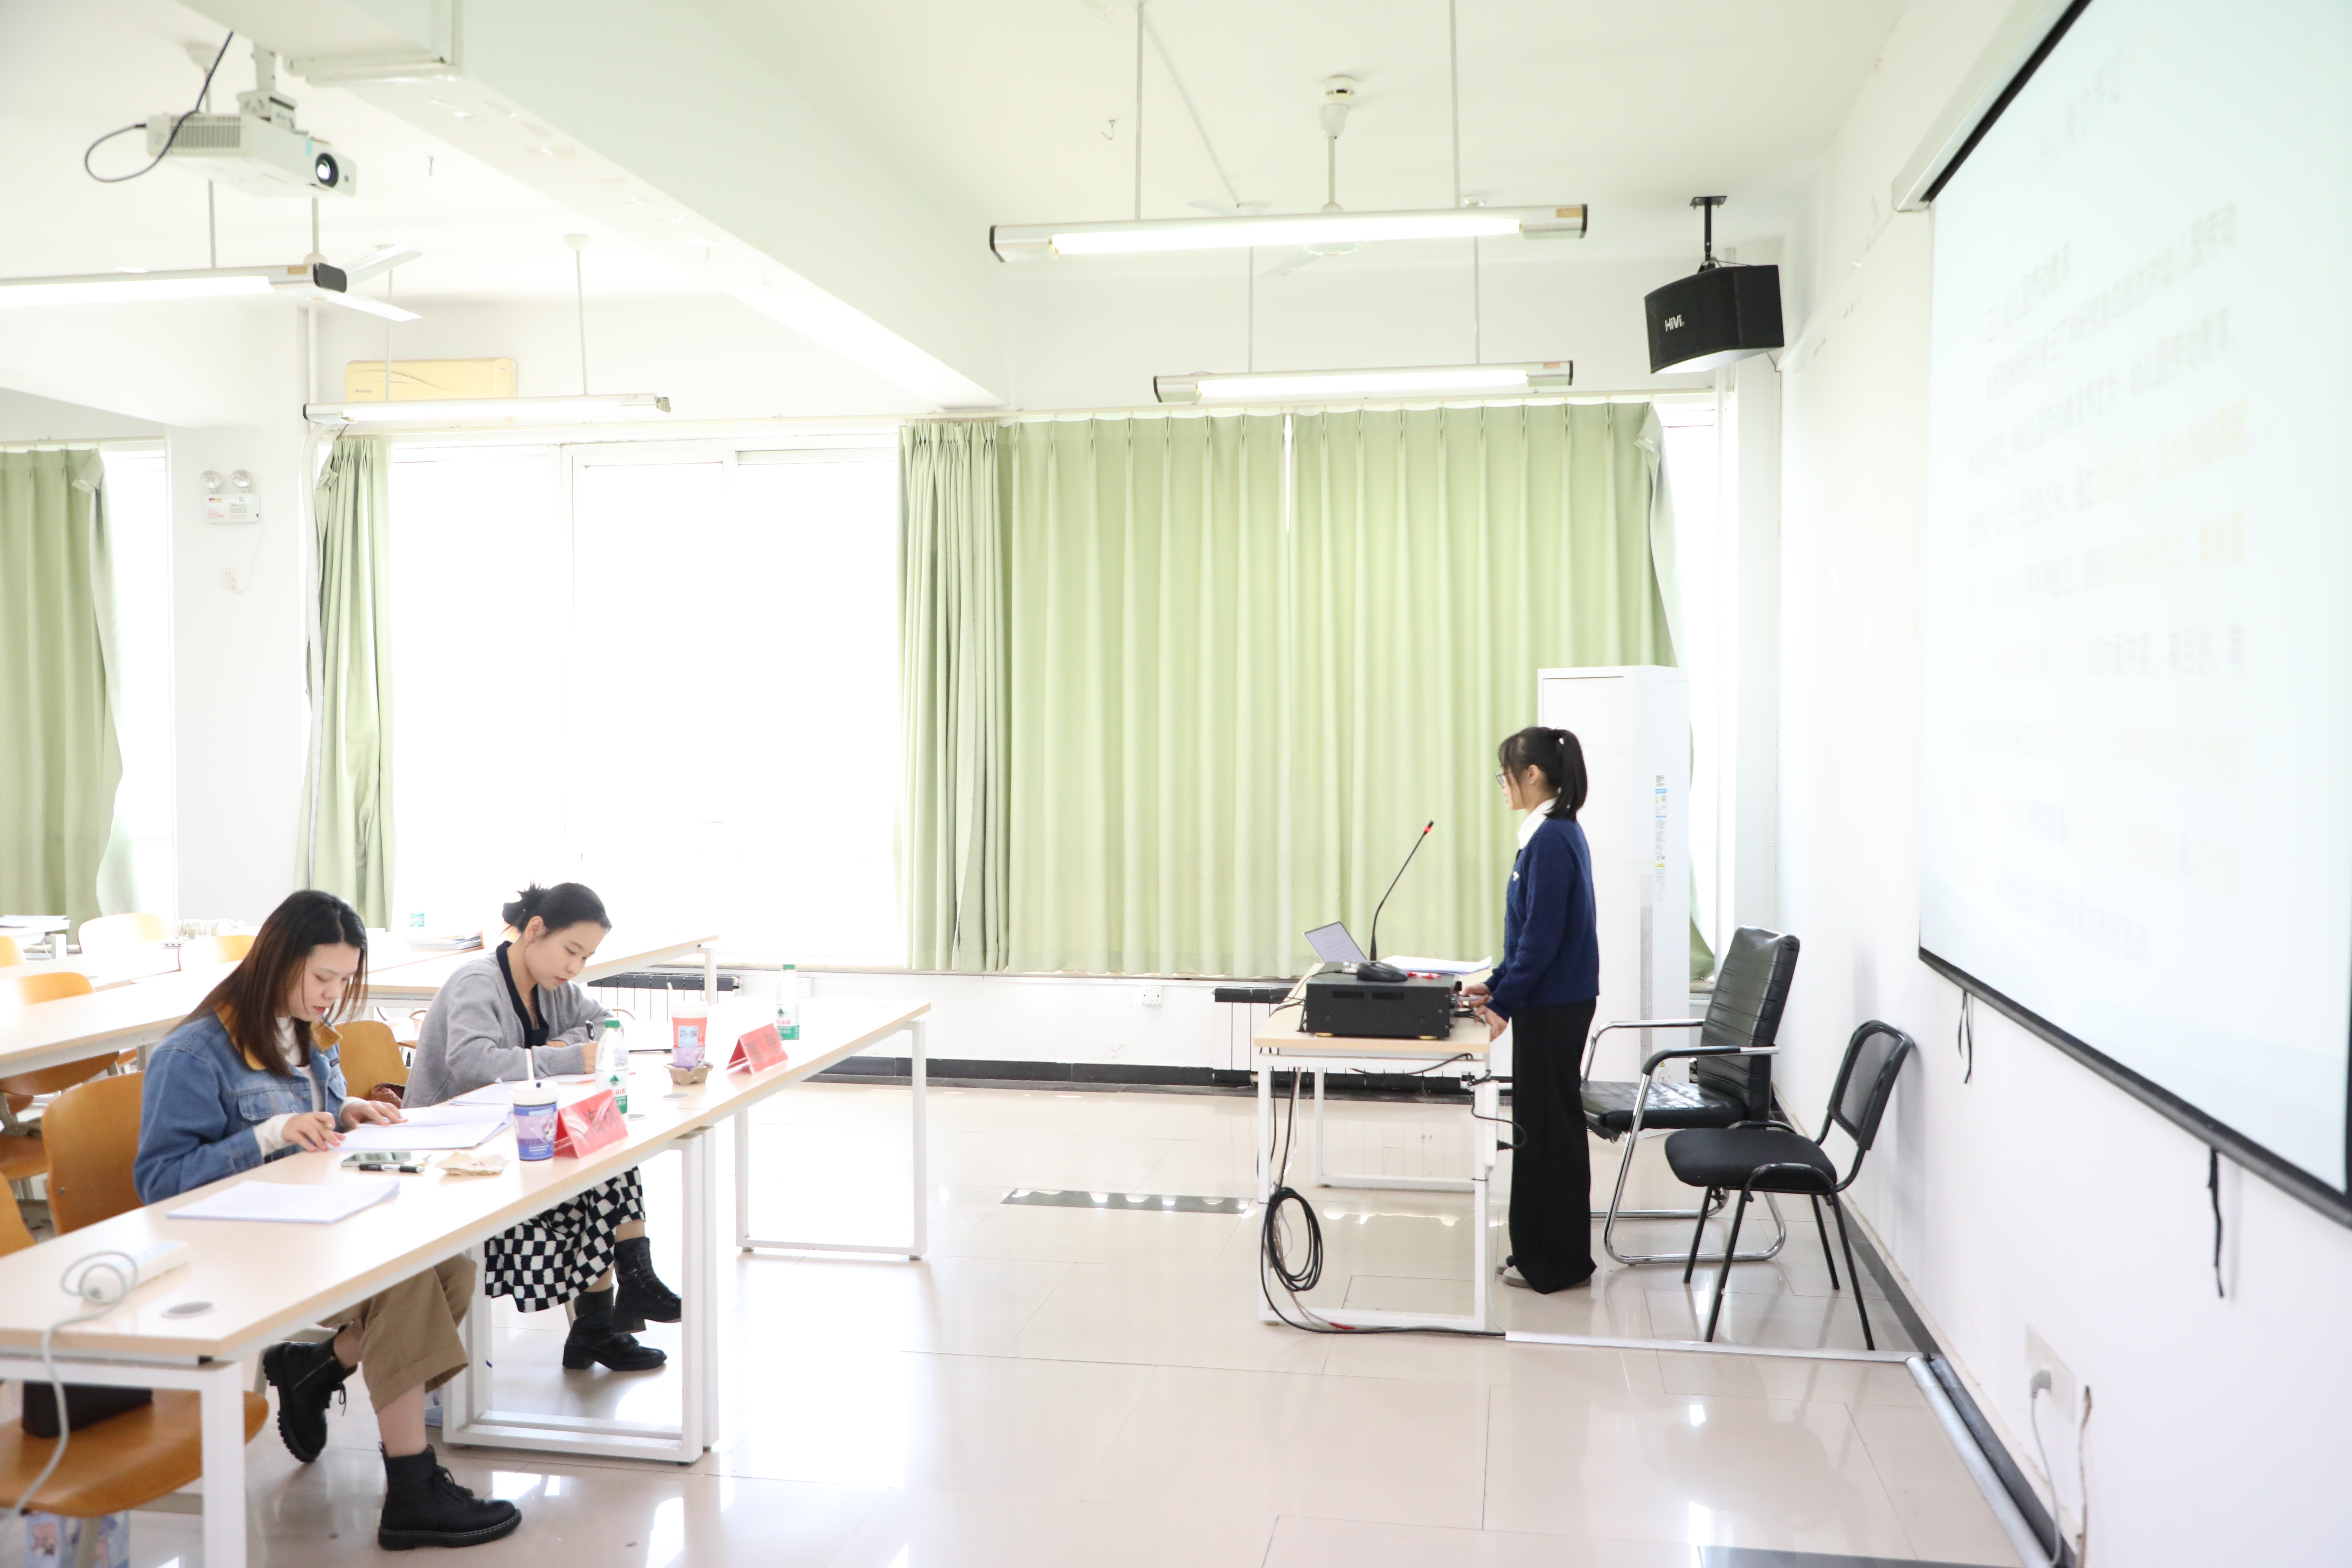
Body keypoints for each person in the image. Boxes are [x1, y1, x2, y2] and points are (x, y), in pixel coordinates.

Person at [136, 890, 522, 1551]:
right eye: (322, 977)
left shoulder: (308, 1035)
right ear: (278, 960)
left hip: (306, 1226)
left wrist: (345, 1113)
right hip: (231, 1247)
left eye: (344, 981)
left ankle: (315, 1368)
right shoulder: (194, 1053)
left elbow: (311, 1121)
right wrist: (268, 1134)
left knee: (450, 1271)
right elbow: (159, 1183)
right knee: (406, 1279)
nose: (331, 995)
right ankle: (411, 1488)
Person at [405, 882, 680, 1373]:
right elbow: (473, 1062)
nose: (575, 968)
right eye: (571, 951)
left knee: (603, 1150)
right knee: (593, 1168)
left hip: (507, 1139)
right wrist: (566, 1056)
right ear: (535, 930)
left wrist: (557, 1048)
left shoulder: (552, 990)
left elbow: (608, 1026)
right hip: (451, 1152)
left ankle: (615, 1302)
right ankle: (613, 1304)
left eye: (586, 958)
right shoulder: (478, 981)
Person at [1465, 726, 1601, 1294]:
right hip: (1552, 1000)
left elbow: (1542, 942)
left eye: (1506, 775)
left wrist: (1503, 1004)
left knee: (1549, 1132)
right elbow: (1528, 937)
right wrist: (1496, 986)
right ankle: (1537, 1249)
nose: (1502, 785)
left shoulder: (1550, 839)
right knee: (1541, 1128)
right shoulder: (1551, 833)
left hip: (1555, 1004)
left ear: (1533, 775)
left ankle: (1556, 1261)